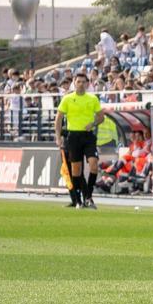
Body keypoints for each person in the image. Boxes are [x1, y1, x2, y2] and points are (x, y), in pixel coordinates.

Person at [54, 73, 104, 209]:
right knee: (76, 170)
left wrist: (93, 124)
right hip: (73, 136)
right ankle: (78, 201)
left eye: (83, 82)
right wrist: (58, 137)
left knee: (94, 165)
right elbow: (58, 119)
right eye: (78, 81)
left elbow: (101, 117)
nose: (81, 84)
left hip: (88, 136)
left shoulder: (93, 98)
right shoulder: (67, 99)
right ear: (74, 83)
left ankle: (88, 196)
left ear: (88, 84)